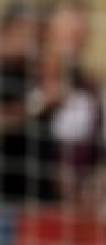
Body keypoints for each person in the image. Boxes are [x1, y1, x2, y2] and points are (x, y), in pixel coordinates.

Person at [41, 0, 106, 206]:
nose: (75, 42)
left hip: (78, 207)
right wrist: (41, 104)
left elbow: (102, 153)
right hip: (27, 204)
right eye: (69, 34)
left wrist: (99, 184)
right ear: (49, 30)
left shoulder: (92, 88)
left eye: (80, 35)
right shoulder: (24, 76)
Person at [0, 2, 58, 204]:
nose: (35, 46)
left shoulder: (30, 73)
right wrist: (37, 104)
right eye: (31, 35)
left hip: (36, 196)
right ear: (8, 31)